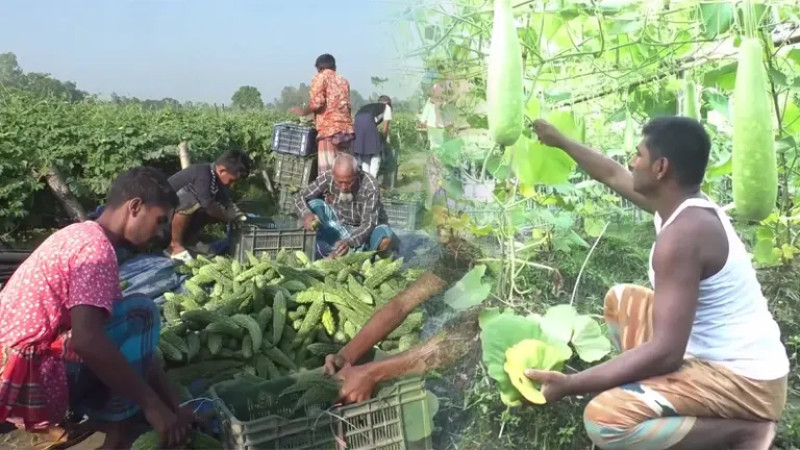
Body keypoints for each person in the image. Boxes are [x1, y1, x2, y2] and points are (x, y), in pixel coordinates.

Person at [324, 116, 791, 450]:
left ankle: (745, 433)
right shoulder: (679, 205)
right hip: (721, 354)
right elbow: (610, 172)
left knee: (604, 422)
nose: (631, 161)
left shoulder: (683, 237)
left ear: (661, 168)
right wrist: (560, 141)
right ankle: (672, 399)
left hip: (745, 380)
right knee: (620, 301)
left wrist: (572, 384)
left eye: (639, 155)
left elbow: (667, 351)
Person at [0, 167, 194, 449]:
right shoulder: (96, 250)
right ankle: (116, 438)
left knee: (126, 329)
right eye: (159, 220)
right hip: (26, 378)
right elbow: (87, 341)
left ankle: (114, 425)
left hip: (12, 370)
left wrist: (176, 405)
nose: (160, 232)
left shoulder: (81, 234)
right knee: (140, 313)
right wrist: (153, 406)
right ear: (135, 207)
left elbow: (139, 351)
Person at [294, 154, 394, 259]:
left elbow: (368, 224)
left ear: (357, 175)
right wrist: (306, 214)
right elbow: (300, 197)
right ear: (333, 175)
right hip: (341, 223)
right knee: (313, 204)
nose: (343, 187)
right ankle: (328, 250)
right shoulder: (328, 176)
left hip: (364, 231)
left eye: (348, 182)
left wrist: (349, 242)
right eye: (339, 182)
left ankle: (363, 254)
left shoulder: (369, 185)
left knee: (384, 240)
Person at [167, 149, 251, 261]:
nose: (232, 185)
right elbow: (208, 205)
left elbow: (226, 203)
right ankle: (174, 246)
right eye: (231, 180)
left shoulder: (218, 181)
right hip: (162, 218)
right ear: (222, 170)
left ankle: (189, 240)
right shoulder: (203, 174)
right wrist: (227, 217)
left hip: (173, 217)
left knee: (215, 208)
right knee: (192, 200)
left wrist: (238, 216)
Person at [290, 54, 355, 177]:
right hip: (346, 132)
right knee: (345, 171)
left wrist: (303, 112)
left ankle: (328, 190)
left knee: (327, 174)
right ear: (334, 67)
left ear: (319, 68)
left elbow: (317, 103)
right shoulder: (344, 81)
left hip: (329, 132)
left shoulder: (320, 77)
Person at [353, 95, 392, 177]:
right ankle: (373, 178)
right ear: (389, 103)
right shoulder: (387, 108)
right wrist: (383, 141)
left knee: (365, 154)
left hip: (357, 121)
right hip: (366, 122)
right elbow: (385, 129)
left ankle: (366, 178)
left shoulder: (372, 107)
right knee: (376, 154)